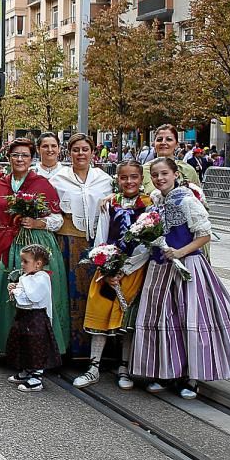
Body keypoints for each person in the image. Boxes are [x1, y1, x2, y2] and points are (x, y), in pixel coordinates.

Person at [132, 158, 230, 397]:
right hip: (160, 268)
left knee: (191, 320)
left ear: (175, 173)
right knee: (164, 321)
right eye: (155, 175)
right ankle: (167, 371)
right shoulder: (156, 201)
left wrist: (180, 252)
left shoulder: (187, 199)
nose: (160, 179)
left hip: (186, 266)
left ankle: (192, 376)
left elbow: (204, 234)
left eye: (165, 173)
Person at [0, 137, 70, 357]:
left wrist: (37, 223)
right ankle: (2, 346)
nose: (20, 159)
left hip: (34, 244)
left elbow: (56, 219)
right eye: (15, 155)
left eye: (24, 155)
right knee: (4, 293)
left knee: (33, 294)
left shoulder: (42, 184)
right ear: (8, 158)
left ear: (31, 158)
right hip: (4, 244)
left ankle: (37, 351)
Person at [77, 160, 152, 390]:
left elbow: (147, 244)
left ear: (141, 179)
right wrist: (106, 264)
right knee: (99, 310)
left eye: (134, 177)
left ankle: (124, 366)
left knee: (126, 319)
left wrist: (125, 268)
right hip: (108, 268)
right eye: (124, 177)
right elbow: (101, 235)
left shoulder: (149, 204)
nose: (129, 182)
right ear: (117, 180)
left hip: (133, 270)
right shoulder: (110, 204)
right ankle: (93, 366)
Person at [49, 133, 113, 358]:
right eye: (76, 150)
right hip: (67, 242)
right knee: (68, 293)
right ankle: (67, 346)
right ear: (69, 153)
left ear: (92, 152)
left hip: (96, 242)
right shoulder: (59, 179)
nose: (80, 154)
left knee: (92, 294)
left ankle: (93, 349)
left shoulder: (104, 179)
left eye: (85, 149)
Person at [4, 244, 60, 393]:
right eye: (22, 261)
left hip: (36, 317)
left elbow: (33, 297)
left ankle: (36, 377)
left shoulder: (42, 277)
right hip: (24, 316)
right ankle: (26, 370)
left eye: (25, 262)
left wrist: (16, 290)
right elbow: (24, 292)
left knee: (36, 344)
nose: (22, 264)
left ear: (38, 263)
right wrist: (16, 288)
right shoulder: (27, 277)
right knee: (23, 342)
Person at [141, 125, 199, 193]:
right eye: (159, 139)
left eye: (169, 139)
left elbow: (199, 198)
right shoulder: (142, 171)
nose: (163, 142)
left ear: (176, 144)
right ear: (154, 144)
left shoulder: (188, 170)